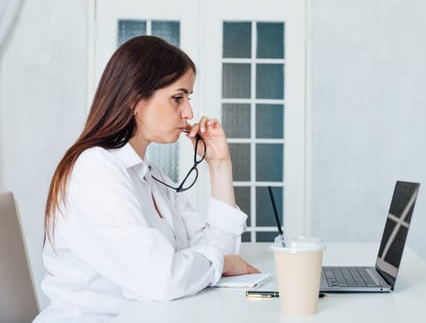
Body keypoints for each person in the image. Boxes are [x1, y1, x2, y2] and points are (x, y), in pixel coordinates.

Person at [34, 36, 259, 322]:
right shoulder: (95, 170)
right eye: (178, 98)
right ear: (134, 100)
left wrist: (220, 165)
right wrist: (218, 263)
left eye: (189, 98)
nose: (189, 112)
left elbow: (224, 257)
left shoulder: (150, 176)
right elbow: (161, 279)